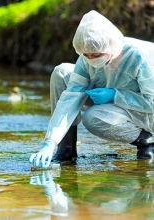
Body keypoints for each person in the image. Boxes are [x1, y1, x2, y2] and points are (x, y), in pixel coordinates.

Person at [30, 10, 154, 168]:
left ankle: (147, 140)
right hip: (112, 99)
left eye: (96, 55)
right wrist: (50, 142)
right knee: (62, 72)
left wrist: (115, 95)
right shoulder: (87, 55)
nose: (91, 60)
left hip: (145, 109)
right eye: (86, 55)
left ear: (111, 48)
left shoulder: (137, 56)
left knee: (92, 118)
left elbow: (152, 102)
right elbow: (71, 97)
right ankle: (66, 150)